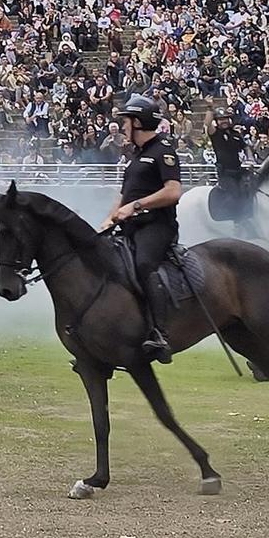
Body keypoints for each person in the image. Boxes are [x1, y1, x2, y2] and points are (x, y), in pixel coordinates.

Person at [100, 93, 183, 363]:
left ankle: (160, 332)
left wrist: (136, 206)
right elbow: (122, 196)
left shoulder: (163, 151)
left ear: (138, 122)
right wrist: (109, 219)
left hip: (157, 225)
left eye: (126, 121)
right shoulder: (136, 156)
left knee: (144, 264)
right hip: (129, 226)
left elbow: (173, 192)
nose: (123, 127)